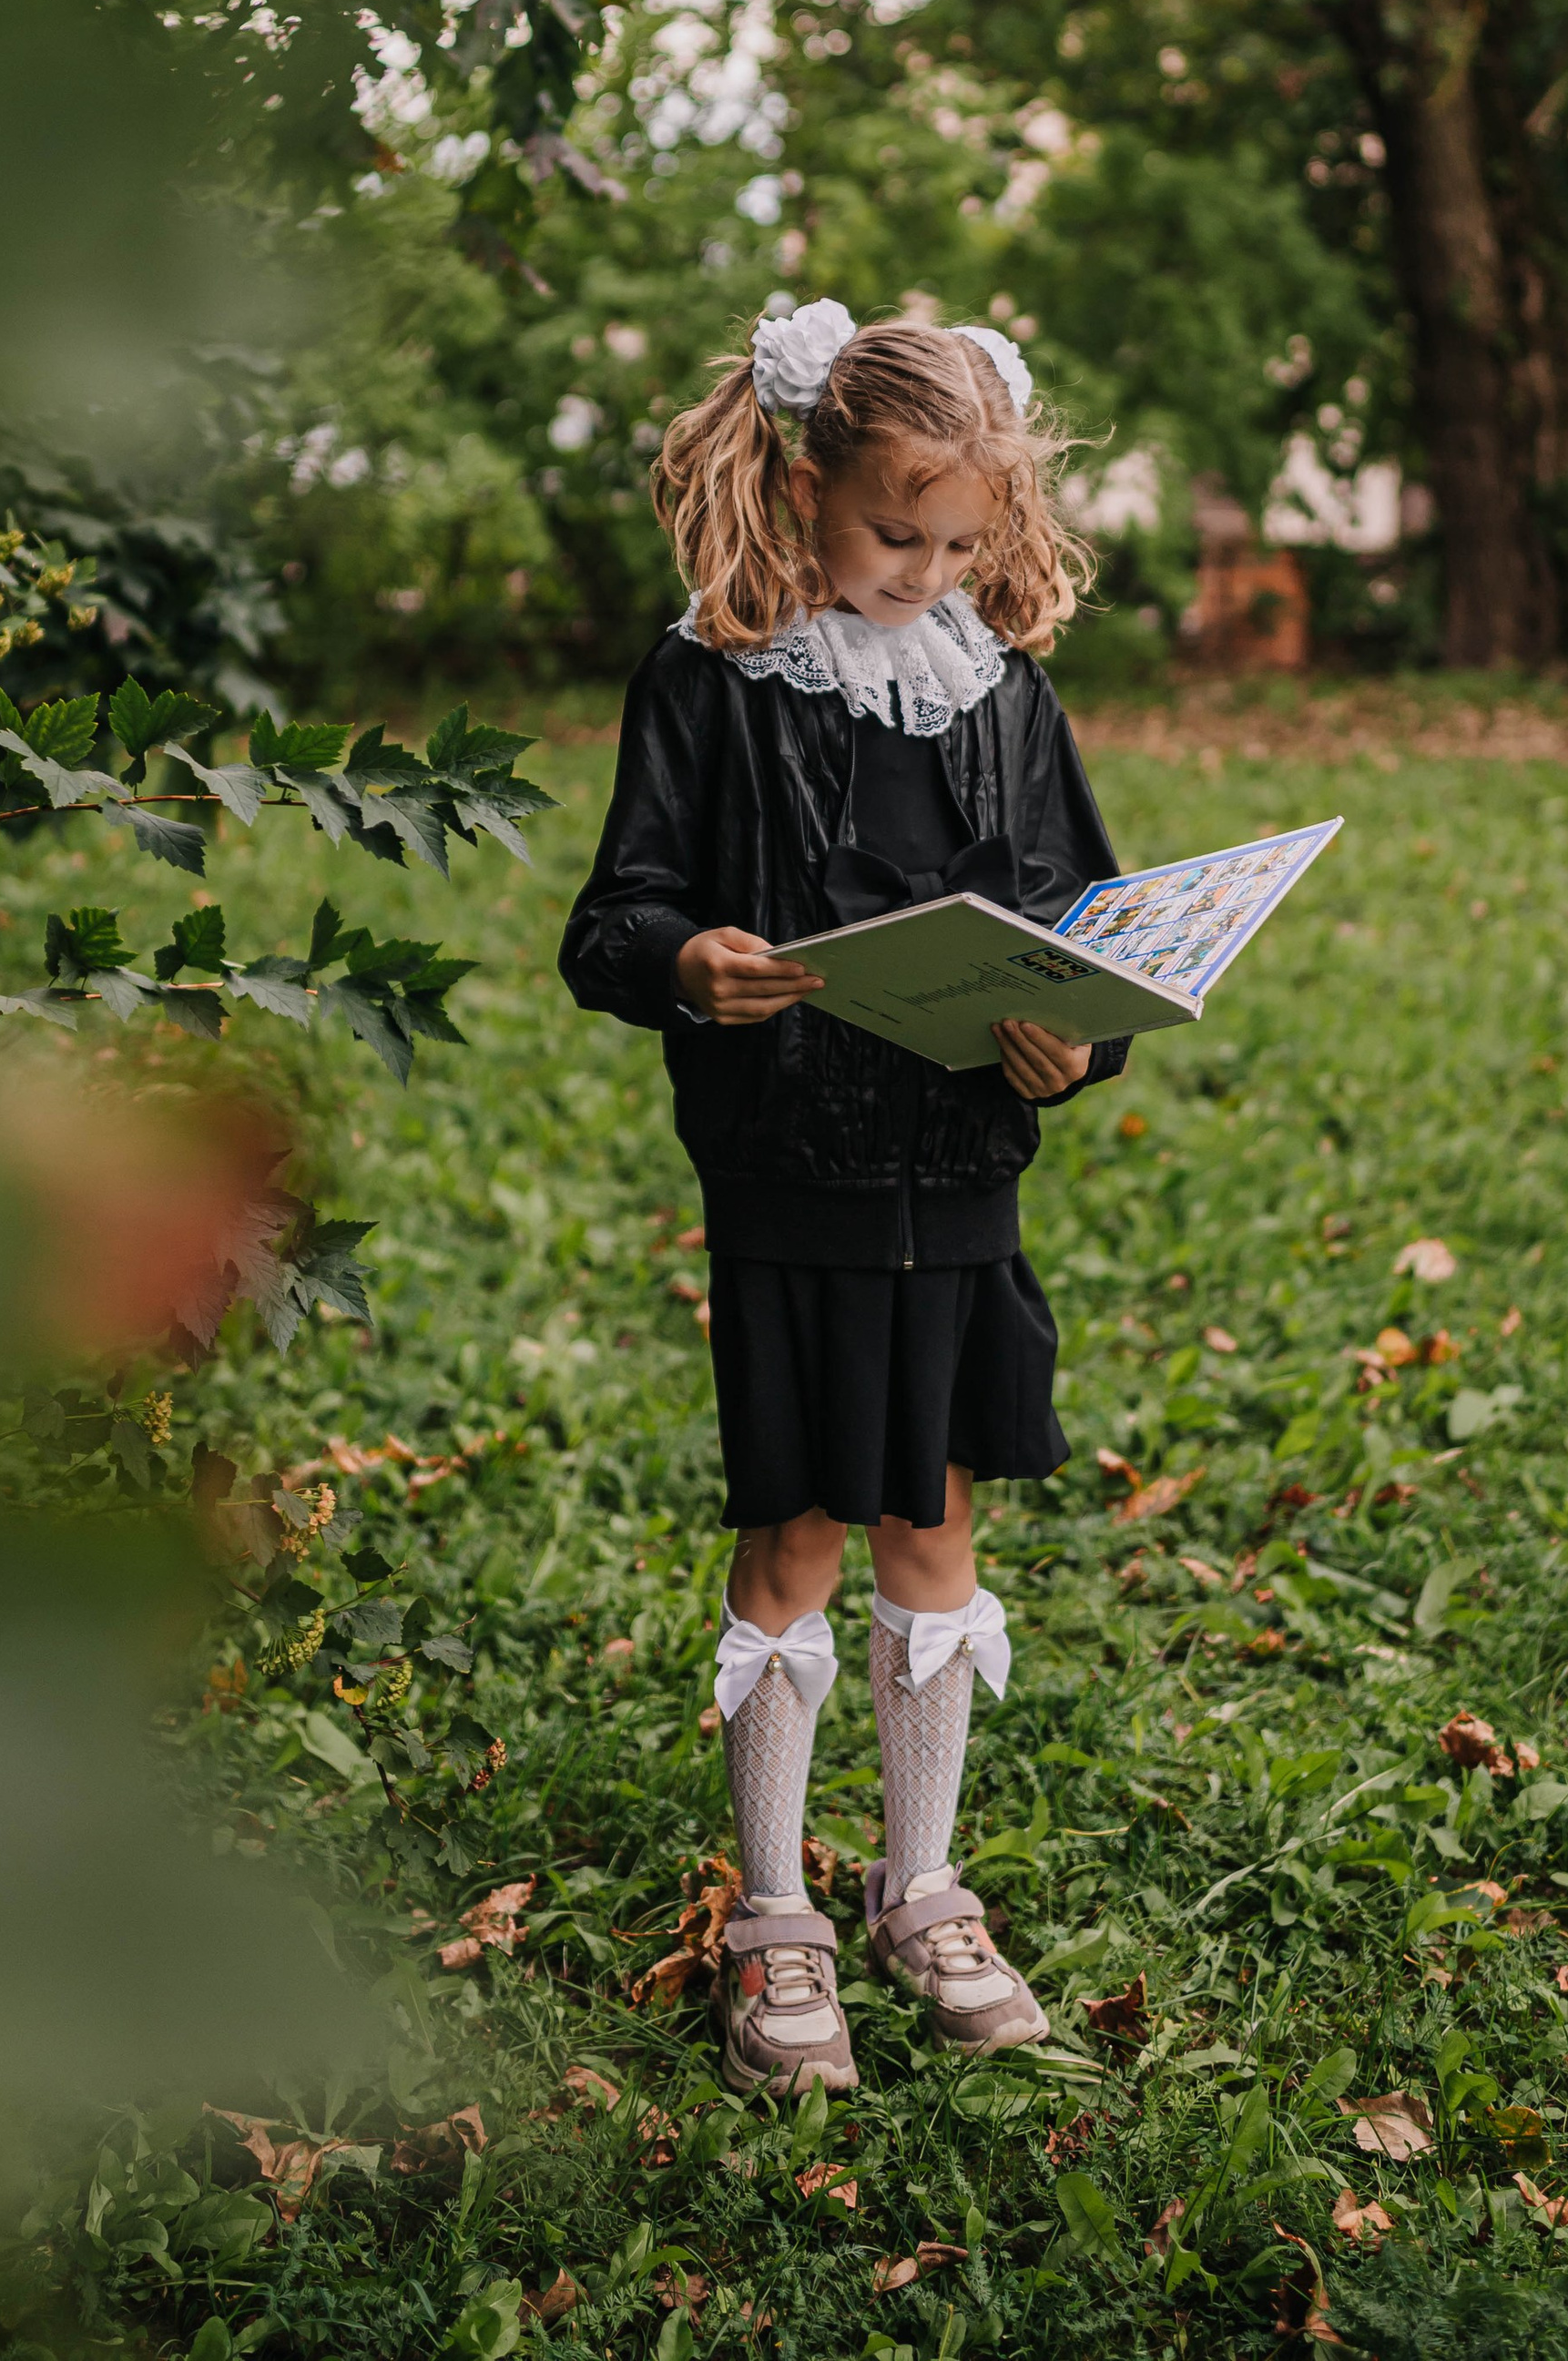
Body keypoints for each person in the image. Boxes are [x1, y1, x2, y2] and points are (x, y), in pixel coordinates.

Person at [560, 300, 1128, 2097]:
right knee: (798, 1536)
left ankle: (922, 1889)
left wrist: (1072, 1046)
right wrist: (686, 963)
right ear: (805, 483)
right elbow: (612, 918)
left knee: (934, 1535)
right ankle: (775, 1913)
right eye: (897, 533)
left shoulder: (1001, 688)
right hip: (788, 1178)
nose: (928, 573)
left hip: (957, 1180)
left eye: (960, 543)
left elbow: (1089, 930)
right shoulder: (710, 678)